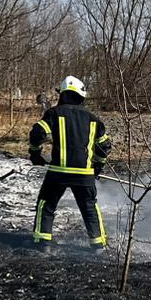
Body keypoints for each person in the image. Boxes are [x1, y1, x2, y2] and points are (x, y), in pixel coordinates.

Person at [28, 76, 112, 248]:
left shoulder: (54, 113)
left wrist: (35, 154)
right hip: (84, 174)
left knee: (46, 205)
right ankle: (98, 246)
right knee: (90, 209)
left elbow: (37, 133)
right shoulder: (93, 119)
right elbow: (104, 146)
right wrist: (97, 167)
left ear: (63, 94)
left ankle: (42, 244)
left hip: (58, 172)